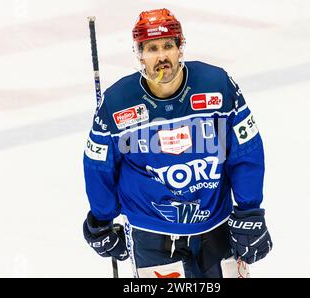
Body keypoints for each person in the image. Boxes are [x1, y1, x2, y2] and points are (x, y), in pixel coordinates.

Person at [82, 8, 272, 278]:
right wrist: (102, 219)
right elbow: (98, 166)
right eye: (152, 48)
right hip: (152, 236)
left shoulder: (217, 85)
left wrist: (250, 210)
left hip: (216, 228)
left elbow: (245, 150)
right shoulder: (117, 104)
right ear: (139, 54)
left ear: (180, 48)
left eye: (168, 45)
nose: (161, 57)